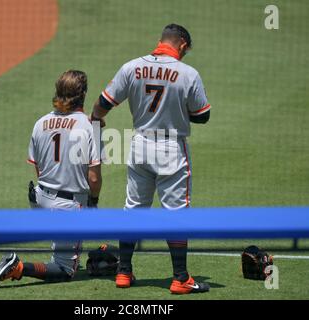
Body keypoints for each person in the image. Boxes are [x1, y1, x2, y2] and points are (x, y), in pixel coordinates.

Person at [91, 24, 211, 294]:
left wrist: (95, 120)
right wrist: (177, 108)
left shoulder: (131, 67)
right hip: (171, 148)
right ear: (182, 44)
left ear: (160, 41)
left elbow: (103, 102)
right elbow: (203, 115)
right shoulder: (188, 74)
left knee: (133, 209)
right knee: (176, 215)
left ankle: (123, 272)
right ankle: (180, 278)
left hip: (139, 145)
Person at [0, 70, 102, 288]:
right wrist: (92, 204)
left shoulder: (40, 123)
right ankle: (17, 266)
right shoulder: (88, 126)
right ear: (83, 94)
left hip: (39, 200)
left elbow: (38, 168)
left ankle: (60, 244)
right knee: (66, 270)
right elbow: (94, 178)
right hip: (67, 207)